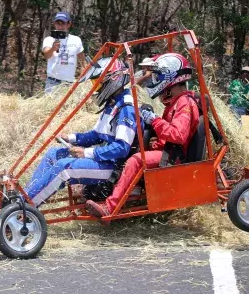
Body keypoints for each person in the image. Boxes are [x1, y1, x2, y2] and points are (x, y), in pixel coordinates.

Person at [85, 52, 200, 217]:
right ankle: (115, 191)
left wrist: (154, 120)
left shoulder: (184, 103)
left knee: (136, 160)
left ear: (171, 76)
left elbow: (178, 135)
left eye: (158, 75)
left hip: (174, 157)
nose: (155, 80)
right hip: (168, 150)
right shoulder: (175, 101)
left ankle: (110, 207)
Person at [24, 59, 142, 207]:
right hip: (102, 160)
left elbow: (121, 148)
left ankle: (25, 208)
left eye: (97, 83)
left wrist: (86, 153)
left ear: (113, 80)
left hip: (112, 167)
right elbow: (96, 135)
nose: (96, 88)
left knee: (64, 167)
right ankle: (26, 195)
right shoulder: (113, 103)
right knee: (53, 154)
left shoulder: (126, 108)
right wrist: (71, 138)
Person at [42, 12, 85, 93]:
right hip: (53, 82)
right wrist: (53, 48)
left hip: (69, 82)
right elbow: (46, 56)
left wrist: (83, 76)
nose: (60, 26)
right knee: (51, 105)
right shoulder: (49, 39)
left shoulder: (76, 40)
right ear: (54, 24)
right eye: (58, 23)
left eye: (63, 23)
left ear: (69, 24)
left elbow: (82, 60)